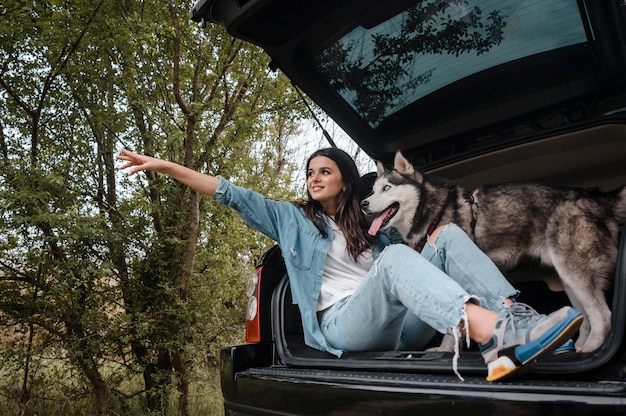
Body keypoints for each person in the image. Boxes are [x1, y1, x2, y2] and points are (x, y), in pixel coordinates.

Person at [116, 147, 582, 382]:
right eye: (310, 173)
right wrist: (165, 166)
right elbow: (228, 193)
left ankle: (518, 323)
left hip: (399, 327)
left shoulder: (371, 225)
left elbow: (421, 266)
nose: (314, 178)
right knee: (399, 259)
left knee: (446, 235)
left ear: (344, 181)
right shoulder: (291, 219)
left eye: (324, 171)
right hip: (343, 326)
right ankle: (494, 336)